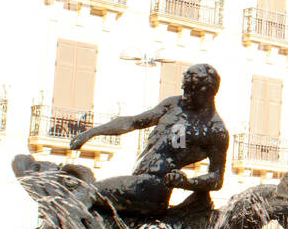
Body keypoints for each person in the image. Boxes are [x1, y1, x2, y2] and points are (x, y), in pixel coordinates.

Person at [69, 63, 228, 215]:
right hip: (137, 180)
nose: (183, 92)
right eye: (183, 87)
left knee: (88, 193)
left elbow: (216, 178)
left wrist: (186, 183)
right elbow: (133, 122)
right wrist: (91, 133)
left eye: (188, 91)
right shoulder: (174, 104)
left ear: (205, 92)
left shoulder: (215, 130)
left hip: (154, 189)